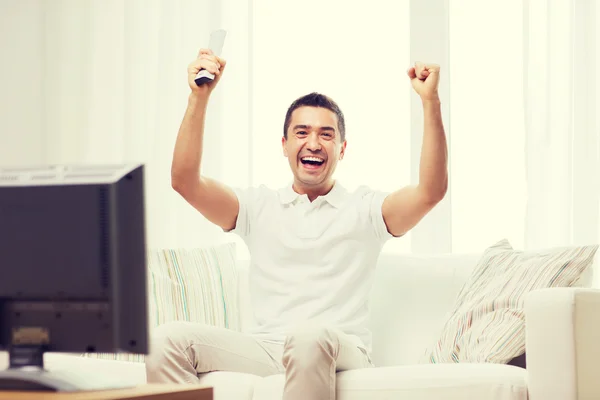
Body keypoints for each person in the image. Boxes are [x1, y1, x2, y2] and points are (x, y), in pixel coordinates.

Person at [145, 47, 448, 400]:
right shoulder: (257, 207)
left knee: (308, 336)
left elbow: (431, 191)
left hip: (339, 350)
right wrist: (199, 96)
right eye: (302, 132)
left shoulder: (365, 210)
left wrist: (431, 103)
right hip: (268, 350)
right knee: (167, 340)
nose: (314, 143)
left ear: (342, 148)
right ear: (285, 144)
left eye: (326, 134)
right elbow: (185, 181)